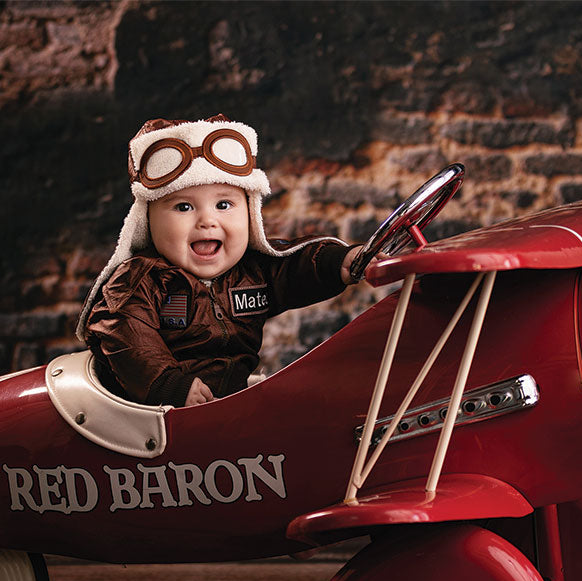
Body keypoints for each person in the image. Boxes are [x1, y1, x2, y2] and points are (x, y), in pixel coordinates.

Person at [77, 114, 367, 407]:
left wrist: (340, 262)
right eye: (183, 206)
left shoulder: (254, 271)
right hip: (154, 418)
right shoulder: (141, 279)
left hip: (221, 409)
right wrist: (168, 384)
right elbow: (122, 328)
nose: (207, 220)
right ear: (147, 221)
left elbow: (296, 265)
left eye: (224, 204)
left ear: (250, 214)